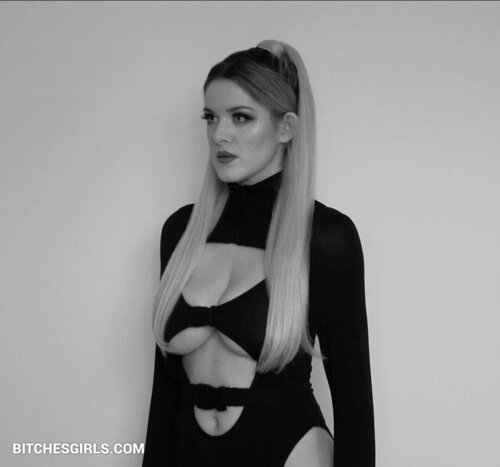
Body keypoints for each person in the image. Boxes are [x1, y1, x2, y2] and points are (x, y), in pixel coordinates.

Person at [142, 39, 375, 466]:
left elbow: (355, 403)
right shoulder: (181, 231)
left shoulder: (326, 237)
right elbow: (165, 391)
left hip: (292, 453)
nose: (219, 134)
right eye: (211, 117)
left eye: (241, 117)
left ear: (286, 128)